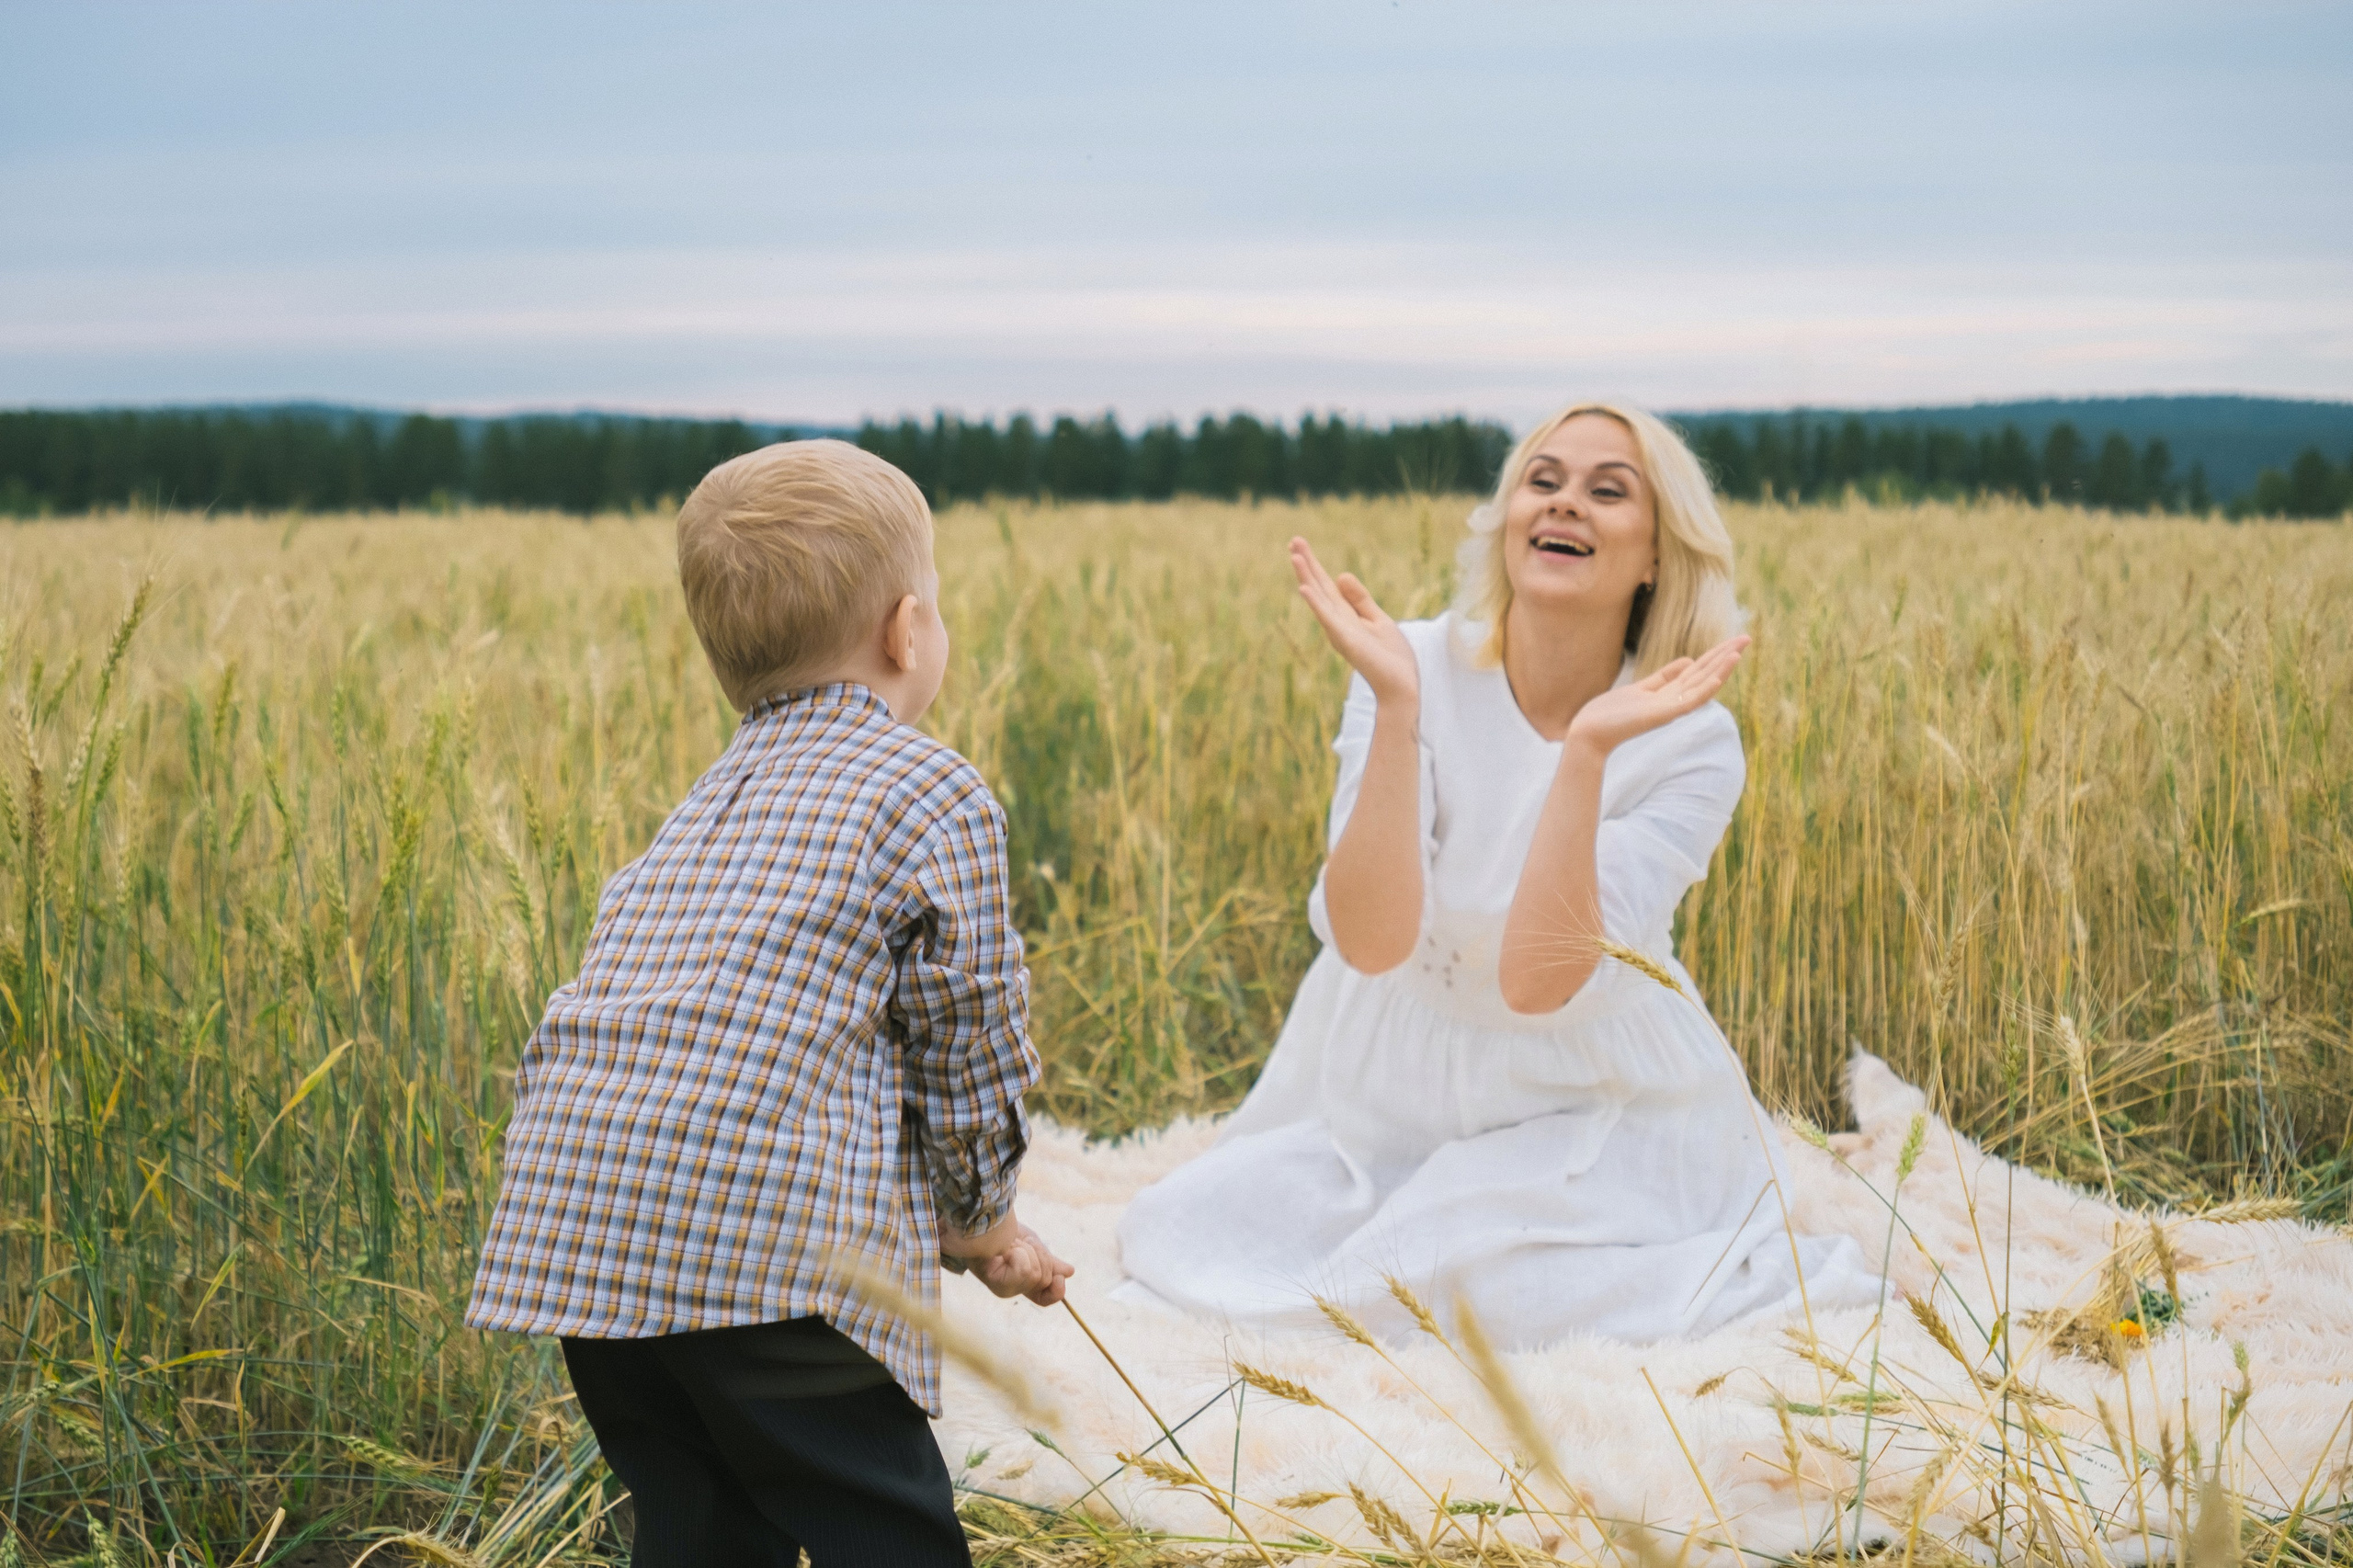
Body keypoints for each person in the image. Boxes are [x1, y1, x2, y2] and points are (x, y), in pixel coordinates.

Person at [1114, 403, 1881, 1346]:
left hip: (1586, 1100)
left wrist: (1585, 754)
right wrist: (1398, 710)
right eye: (1541, 480)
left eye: (1608, 491)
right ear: (1509, 518)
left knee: (1480, 1292)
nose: (1564, 503)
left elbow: (1536, 981)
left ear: (1655, 555)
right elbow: (1370, 941)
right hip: (1388, 1084)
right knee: (1177, 1233)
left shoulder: (1692, 739)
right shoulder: (1407, 664)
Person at [468, 440, 1073, 1568]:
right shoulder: (931, 790)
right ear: (906, 630)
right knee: (885, 1530)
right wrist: (984, 1220)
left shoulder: (700, 810)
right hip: (773, 1260)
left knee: (702, 1531)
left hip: (587, 1241)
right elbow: (969, 1034)